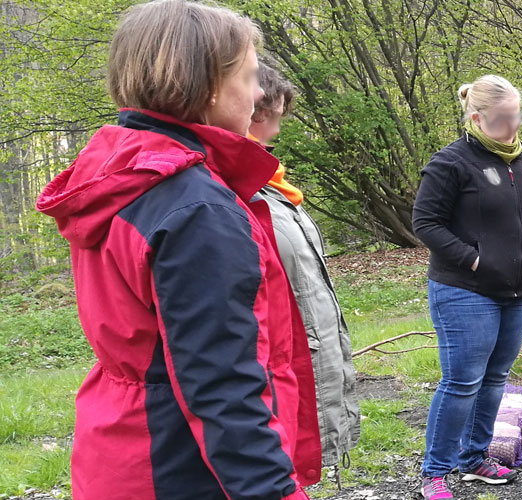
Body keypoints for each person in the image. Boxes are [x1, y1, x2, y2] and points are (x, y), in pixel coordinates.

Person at [33, 0, 321, 498]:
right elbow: (223, 388)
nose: (257, 94)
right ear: (209, 84)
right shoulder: (195, 207)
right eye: (249, 77)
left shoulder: (123, 174)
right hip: (181, 467)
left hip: (120, 447)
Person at [410, 75, 522, 499]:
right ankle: (434, 472)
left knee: (495, 377)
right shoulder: (451, 163)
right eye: (503, 119)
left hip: (519, 292)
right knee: (461, 381)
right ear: (476, 117)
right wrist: (474, 259)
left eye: (517, 116)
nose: (513, 126)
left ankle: (474, 458)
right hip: (464, 291)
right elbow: (426, 223)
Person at [251, 64, 362, 472]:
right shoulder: (229, 189)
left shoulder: (272, 186)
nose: (276, 130)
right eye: (272, 117)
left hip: (297, 365)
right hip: (268, 378)